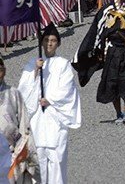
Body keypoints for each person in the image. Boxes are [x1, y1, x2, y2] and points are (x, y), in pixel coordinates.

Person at [17, 26, 81, 184]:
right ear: (41, 43)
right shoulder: (33, 63)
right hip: (37, 120)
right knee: (37, 160)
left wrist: (50, 99)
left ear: (58, 43)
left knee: (56, 159)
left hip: (55, 117)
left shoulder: (63, 64)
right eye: (46, 40)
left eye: (53, 41)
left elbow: (67, 88)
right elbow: (22, 89)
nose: (49, 44)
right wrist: (35, 73)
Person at [0, 58, 39, 183]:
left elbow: (24, 124)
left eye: (0, 70)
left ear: (4, 71)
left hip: (11, 153)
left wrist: (25, 150)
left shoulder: (13, 94)